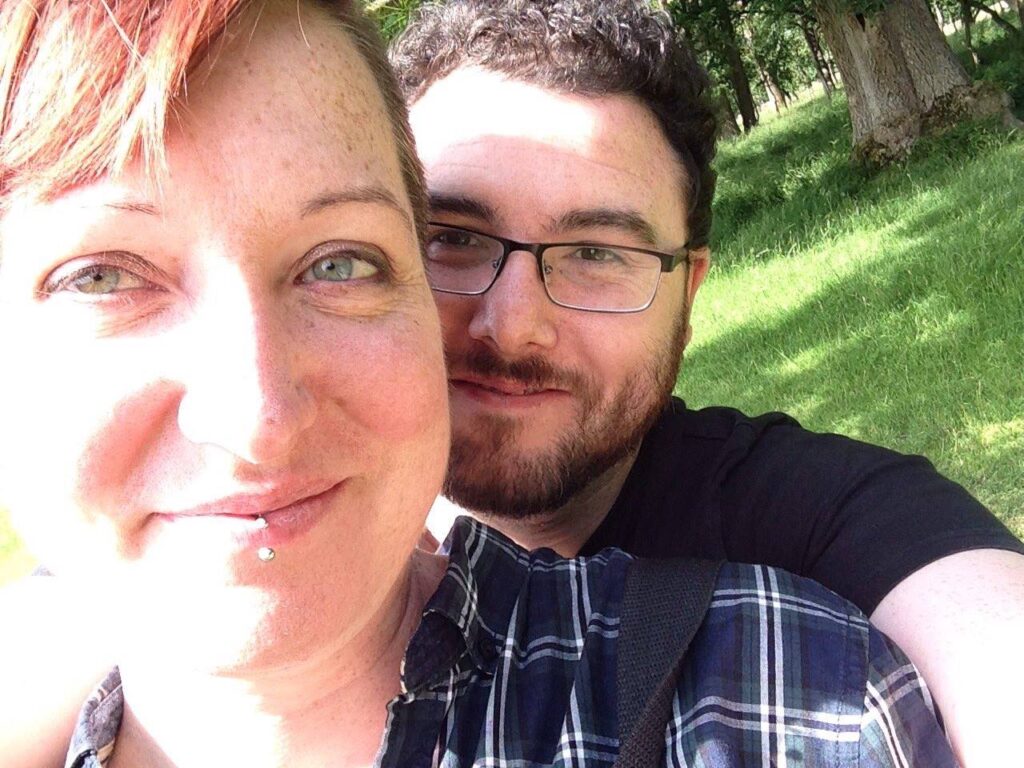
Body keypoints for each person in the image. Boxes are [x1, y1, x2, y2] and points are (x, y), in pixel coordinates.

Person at [0, 0, 958, 766]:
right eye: (101, 275)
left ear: (688, 290)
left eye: (337, 261)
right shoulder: (65, 635)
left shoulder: (786, 683)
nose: (258, 421)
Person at [387, 1, 1024, 764]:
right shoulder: (302, 535)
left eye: (596, 252)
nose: (514, 324)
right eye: (451, 239)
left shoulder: (815, 522)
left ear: (686, 299)